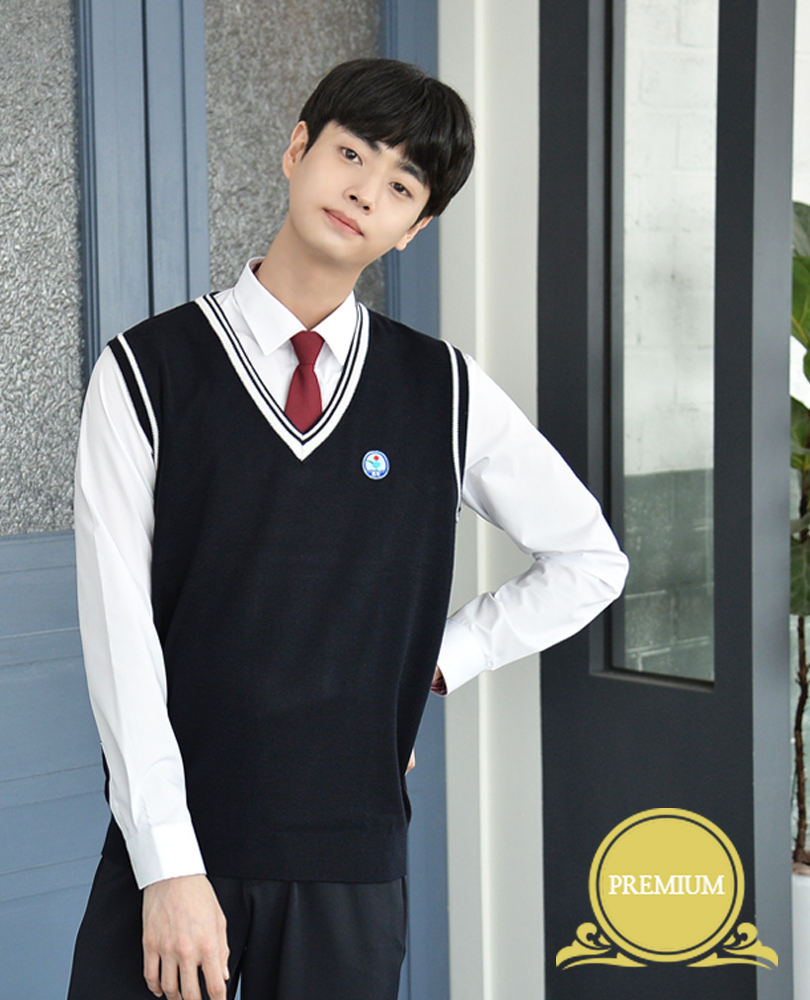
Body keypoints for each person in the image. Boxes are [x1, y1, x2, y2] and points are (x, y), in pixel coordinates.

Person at [66, 57, 629, 1000]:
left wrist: (435, 662)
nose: (366, 190)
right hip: (179, 854)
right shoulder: (144, 373)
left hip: (352, 869)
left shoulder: (443, 389)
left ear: (417, 228)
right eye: (352, 154)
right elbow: (119, 639)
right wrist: (166, 867)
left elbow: (589, 559)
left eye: (402, 185)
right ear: (297, 151)